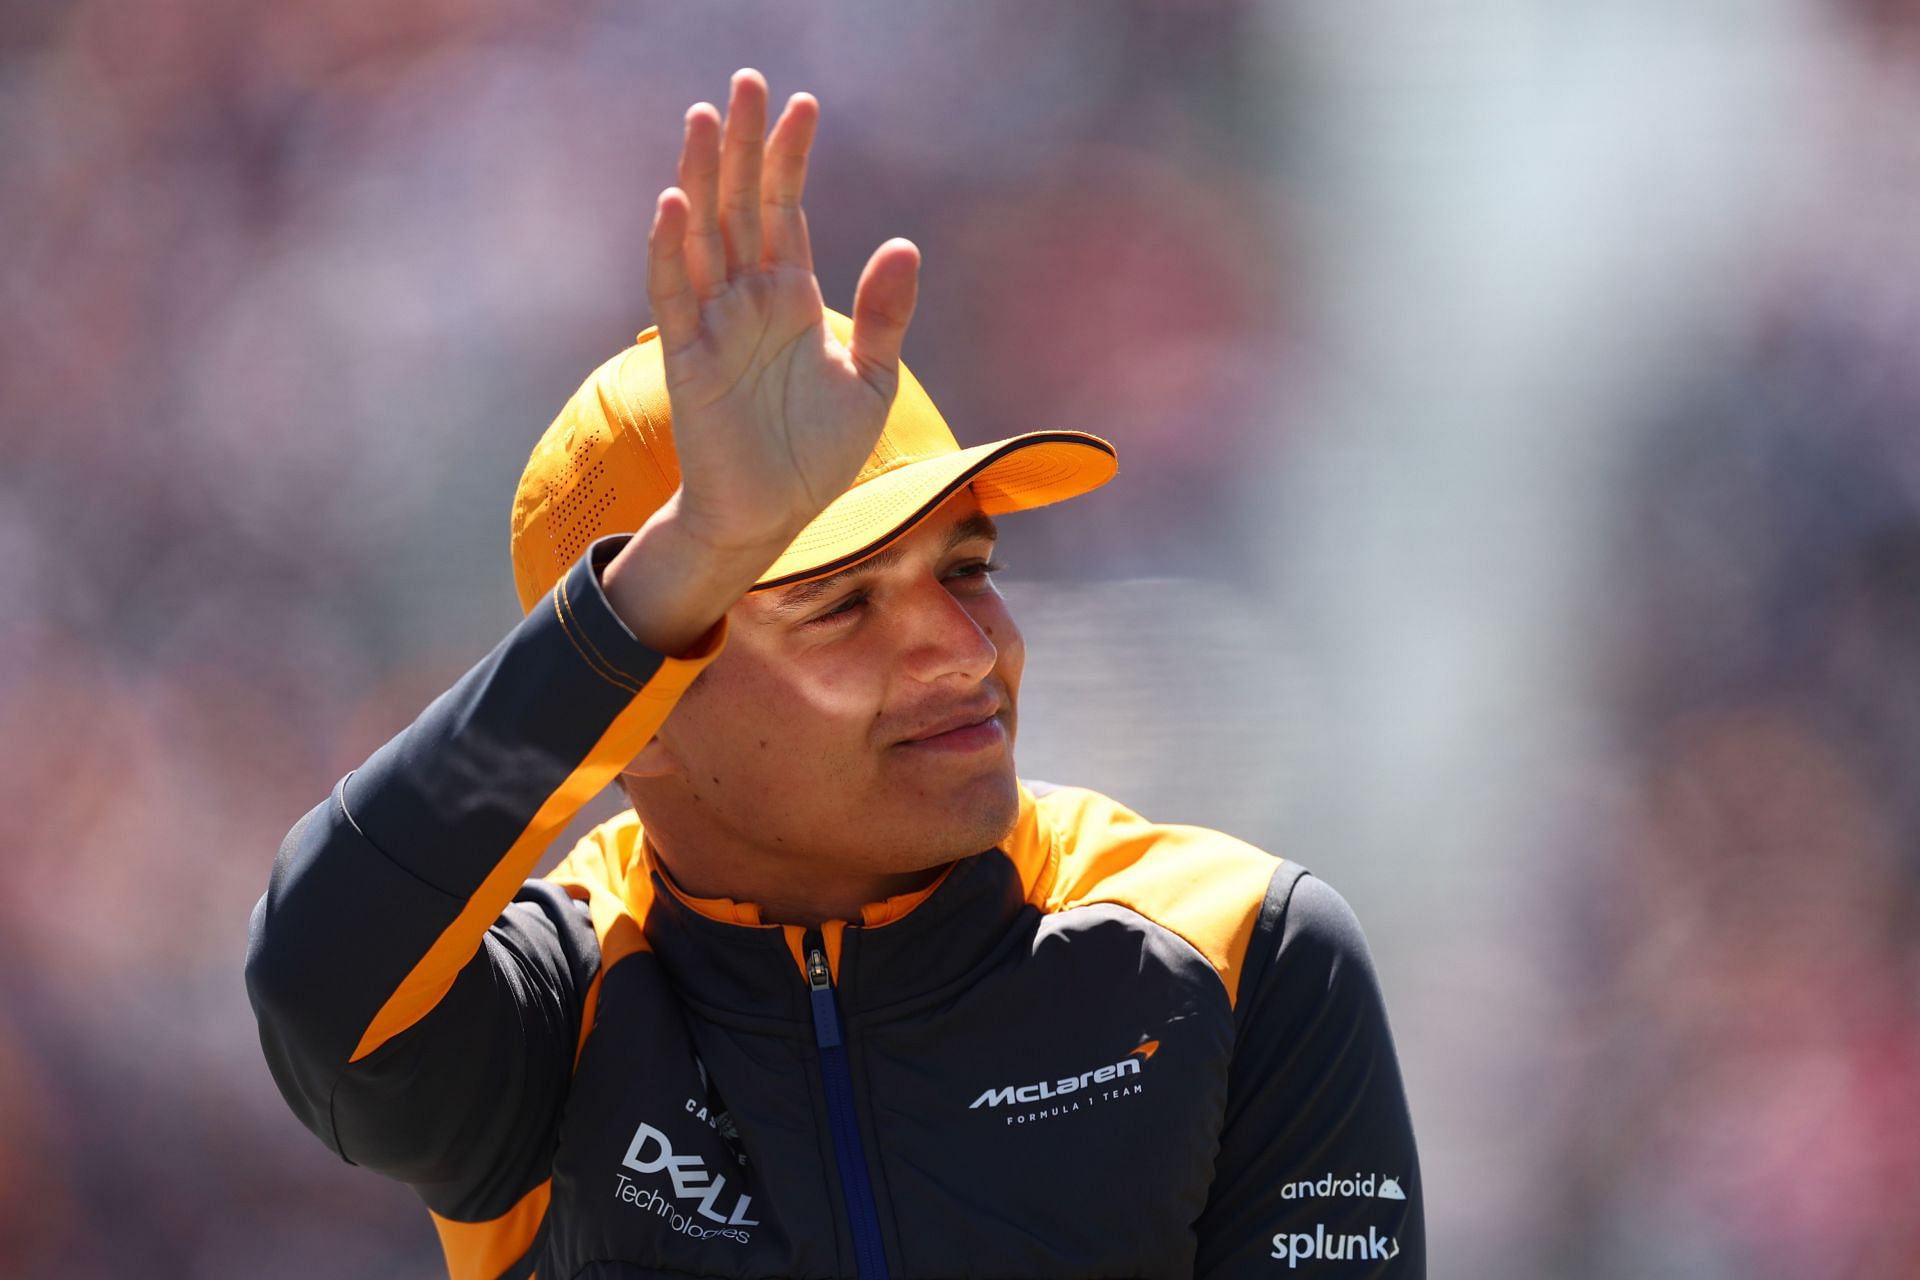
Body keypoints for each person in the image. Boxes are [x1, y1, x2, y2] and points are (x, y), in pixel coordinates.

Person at [245, 69, 1425, 1279]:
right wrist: (694, 555)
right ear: (636, 709)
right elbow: (315, 977)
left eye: (967, 568)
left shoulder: (1241, 954)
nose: (968, 653)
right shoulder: (569, 1004)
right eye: (842, 603)